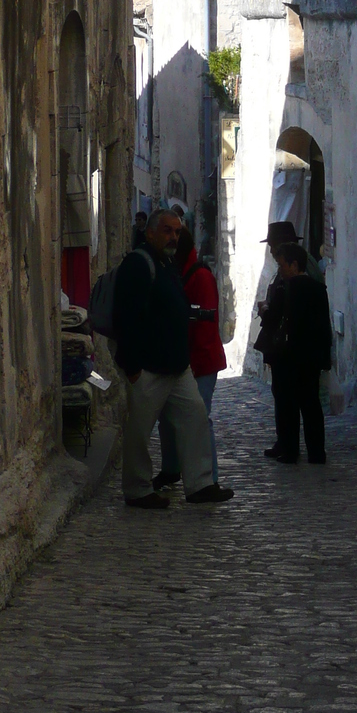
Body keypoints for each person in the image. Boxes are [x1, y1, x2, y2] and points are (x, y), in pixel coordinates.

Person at [112, 207, 234, 509]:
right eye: (167, 230)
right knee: (140, 431)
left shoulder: (166, 262)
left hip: (177, 369)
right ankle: (138, 490)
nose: (173, 236)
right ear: (150, 232)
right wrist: (132, 367)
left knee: (195, 420)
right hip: (149, 368)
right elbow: (125, 316)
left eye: (178, 232)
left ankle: (201, 484)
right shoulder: (139, 264)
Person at [155, 227, 227, 489]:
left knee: (199, 418)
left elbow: (204, 327)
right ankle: (172, 469)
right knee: (169, 417)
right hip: (184, 359)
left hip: (201, 360)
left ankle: (210, 478)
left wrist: (190, 363)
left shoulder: (200, 277)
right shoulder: (179, 273)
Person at [263, 243, 333, 464]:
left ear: (294, 264)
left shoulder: (286, 289)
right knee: (311, 404)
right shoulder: (318, 289)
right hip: (310, 357)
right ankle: (316, 452)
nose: (280, 269)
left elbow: (273, 319)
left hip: (288, 357)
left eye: (282, 264)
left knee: (288, 404)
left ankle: (290, 450)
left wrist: (264, 309)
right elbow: (324, 326)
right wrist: (324, 357)